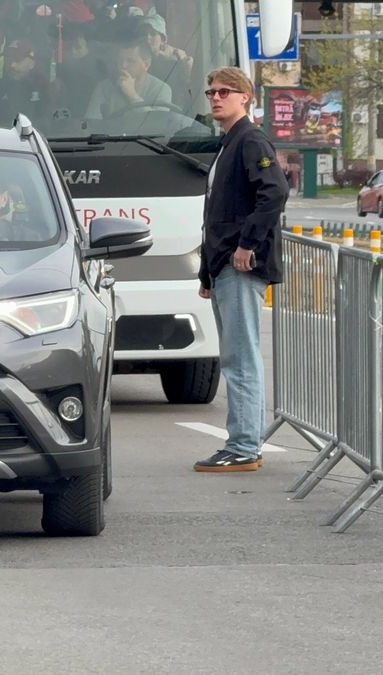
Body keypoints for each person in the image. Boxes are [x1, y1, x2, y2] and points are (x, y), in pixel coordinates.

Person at [194, 66, 288, 473]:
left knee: (241, 357)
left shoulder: (250, 139)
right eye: (211, 91)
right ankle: (242, 443)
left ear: (245, 98)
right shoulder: (231, 142)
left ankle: (245, 446)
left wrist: (247, 245)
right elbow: (218, 211)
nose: (215, 97)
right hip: (224, 265)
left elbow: (275, 191)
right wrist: (206, 273)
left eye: (225, 92)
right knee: (236, 356)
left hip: (240, 264)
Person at [83, 39, 171, 119]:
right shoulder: (104, 87)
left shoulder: (161, 89)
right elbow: (91, 122)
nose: (123, 66)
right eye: (120, 60)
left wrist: (133, 96)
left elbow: (158, 124)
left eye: (131, 61)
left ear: (146, 64)